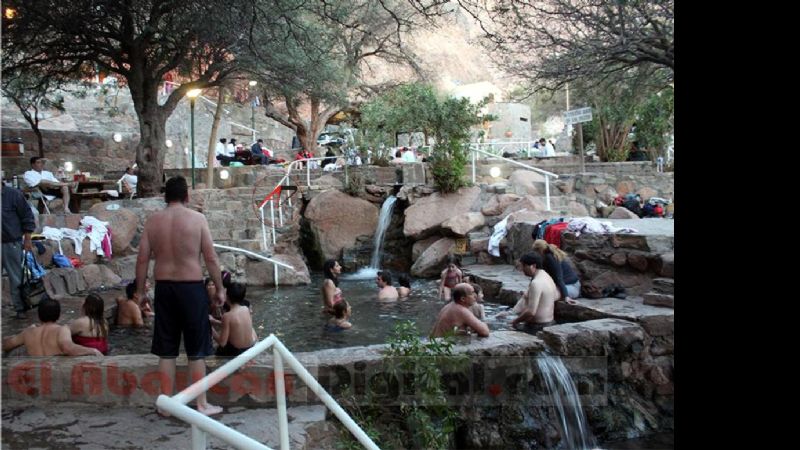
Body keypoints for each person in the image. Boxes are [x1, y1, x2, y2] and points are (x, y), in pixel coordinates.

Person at [136, 175, 225, 417]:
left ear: (166, 197)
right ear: (187, 196)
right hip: (191, 288)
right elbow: (210, 258)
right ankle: (201, 404)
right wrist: (220, 288)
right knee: (196, 349)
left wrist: (140, 292)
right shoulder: (197, 219)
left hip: (164, 288)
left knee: (167, 349)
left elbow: (142, 258)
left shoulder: (153, 221)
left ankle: (166, 405)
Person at [2, 297, 103, 356]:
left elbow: (6, 345)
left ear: (39, 315)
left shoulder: (28, 332)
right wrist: (93, 351)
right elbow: (68, 348)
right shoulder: (62, 330)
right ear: (58, 315)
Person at [2, 184, 36, 319]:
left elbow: (27, 216)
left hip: (11, 242)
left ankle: (20, 308)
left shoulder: (14, 194)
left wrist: (27, 239)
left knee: (16, 278)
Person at [509, 252, 559, 334]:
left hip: (537, 327)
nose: (522, 269)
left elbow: (531, 312)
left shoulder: (536, 283)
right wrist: (510, 313)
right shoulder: (546, 276)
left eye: (524, 266)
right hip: (550, 323)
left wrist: (514, 321)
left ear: (533, 266)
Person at [212, 282, 257, 357]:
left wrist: (211, 329)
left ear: (227, 297)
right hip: (250, 348)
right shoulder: (246, 309)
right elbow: (236, 326)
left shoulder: (227, 316)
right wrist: (215, 321)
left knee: (218, 348)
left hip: (237, 353)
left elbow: (222, 343)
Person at [531, 239, 580, 305]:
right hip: (564, 285)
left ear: (540, 251)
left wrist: (566, 296)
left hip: (572, 286)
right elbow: (538, 274)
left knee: (546, 294)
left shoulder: (550, 258)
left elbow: (559, 278)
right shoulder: (543, 258)